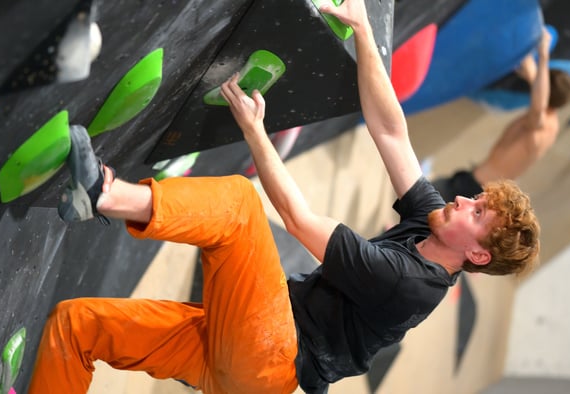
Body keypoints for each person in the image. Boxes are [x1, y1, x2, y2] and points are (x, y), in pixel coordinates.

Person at [27, 1, 541, 393]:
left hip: (272, 355)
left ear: (476, 254)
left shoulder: (410, 285)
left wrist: (256, 130)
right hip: (238, 350)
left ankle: (101, 195)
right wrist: (364, 33)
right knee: (76, 327)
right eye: (476, 198)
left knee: (241, 208)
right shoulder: (431, 223)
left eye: (478, 213)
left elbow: (297, 219)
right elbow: (390, 132)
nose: (464, 200)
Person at [432, 28, 570, 201]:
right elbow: (540, 101)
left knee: (415, 206)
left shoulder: (543, 123)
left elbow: (539, 106)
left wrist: (542, 56)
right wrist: (532, 75)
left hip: (472, 187)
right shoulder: (551, 125)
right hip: (477, 185)